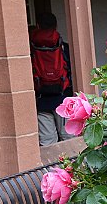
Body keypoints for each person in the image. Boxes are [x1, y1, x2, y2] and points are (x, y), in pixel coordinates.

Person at [30, 12, 75, 145]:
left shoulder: (30, 50)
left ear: (38, 26)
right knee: (69, 138)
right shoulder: (63, 48)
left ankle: (51, 166)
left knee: (48, 142)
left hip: (41, 101)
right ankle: (71, 166)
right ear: (56, 26)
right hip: (63, 100)